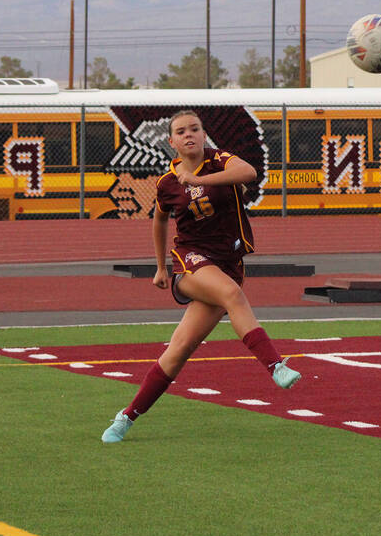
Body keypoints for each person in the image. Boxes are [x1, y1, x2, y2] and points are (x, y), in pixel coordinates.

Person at [102, 110, 300, 443]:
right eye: (181, 131)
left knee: (178, 350)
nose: (189, 135)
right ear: (172, 142)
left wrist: (199, 180)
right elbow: (159, 221)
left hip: (228, 265)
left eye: (195, 128)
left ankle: (126, 416)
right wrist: (161, 267)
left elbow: (248, 172)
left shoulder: (220, 161)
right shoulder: (167, 183)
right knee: (233, 296)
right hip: (192, 261)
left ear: (204, 134)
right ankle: (275, 366)